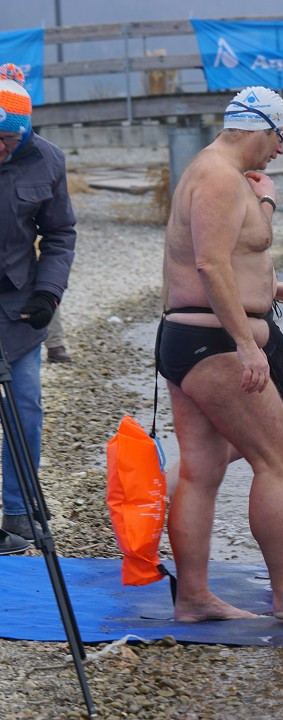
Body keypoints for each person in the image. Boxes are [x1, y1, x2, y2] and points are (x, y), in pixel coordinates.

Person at [157, 85, 283, 621]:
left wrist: (270, 288)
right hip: (212, 343)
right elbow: (211, 266)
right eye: (281, 139)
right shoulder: (219, 176)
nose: (281, 151)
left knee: (201, 469)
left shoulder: (211, 170)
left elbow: (222, 256)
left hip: (188, 336)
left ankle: (193, 598)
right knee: (278, 458)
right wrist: (247, 343)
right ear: (261, 128)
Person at [0, 64, 76, 555]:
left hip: (18, 307)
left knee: (25, 407)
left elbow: (61, 234)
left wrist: (48, 294)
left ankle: (19, 510)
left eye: (7, 140)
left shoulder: (48, 161)